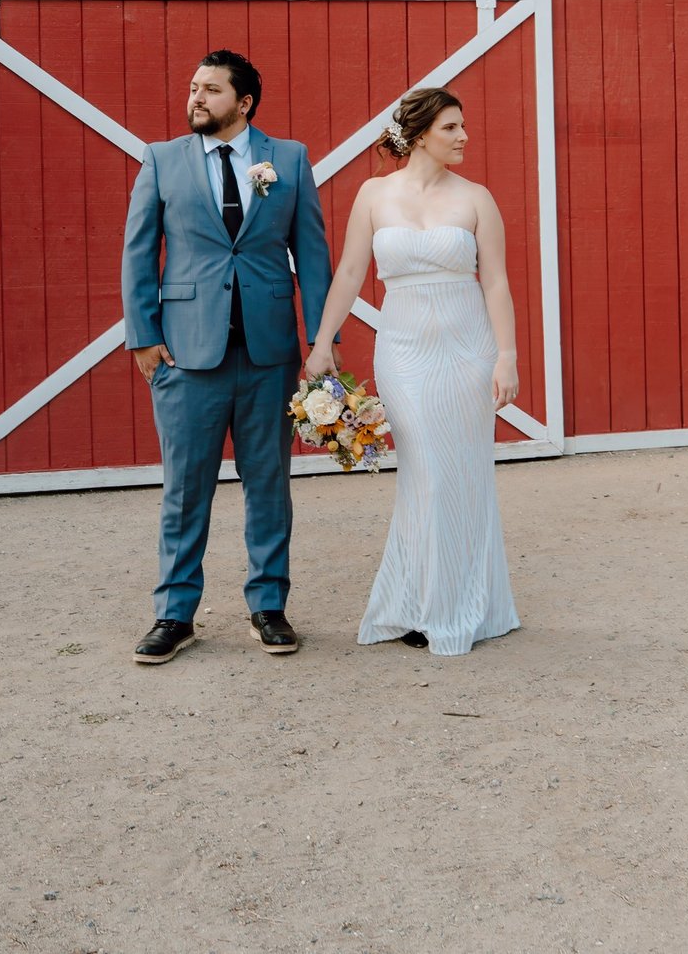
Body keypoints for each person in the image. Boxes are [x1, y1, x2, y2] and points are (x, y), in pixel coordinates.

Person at [122, 50, 333, 665]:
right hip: (186, 355)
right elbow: (139, 252)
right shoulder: (161, 159)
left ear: (243, 103)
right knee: (185, 489)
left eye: (211, 90)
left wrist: (321, 340)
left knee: (269, 484)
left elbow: (312, 254)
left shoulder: (288, 159)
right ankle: (174, 614)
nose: (196, 98)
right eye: (193, 87)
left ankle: (269, 606)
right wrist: (143, 336)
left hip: (268, 351)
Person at [305, 88, 520, 658]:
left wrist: (507, 356)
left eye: (463, 126)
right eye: (452, 127)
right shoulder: (374, 194)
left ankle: (459, 603)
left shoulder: (477, 198)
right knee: (424, 473)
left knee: (461, 473)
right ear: (421, 134)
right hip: (403, 351)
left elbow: (495, 281)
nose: (463, 136)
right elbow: (351, 271)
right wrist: (323, 342)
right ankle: (417, 602)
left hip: (466, 347)